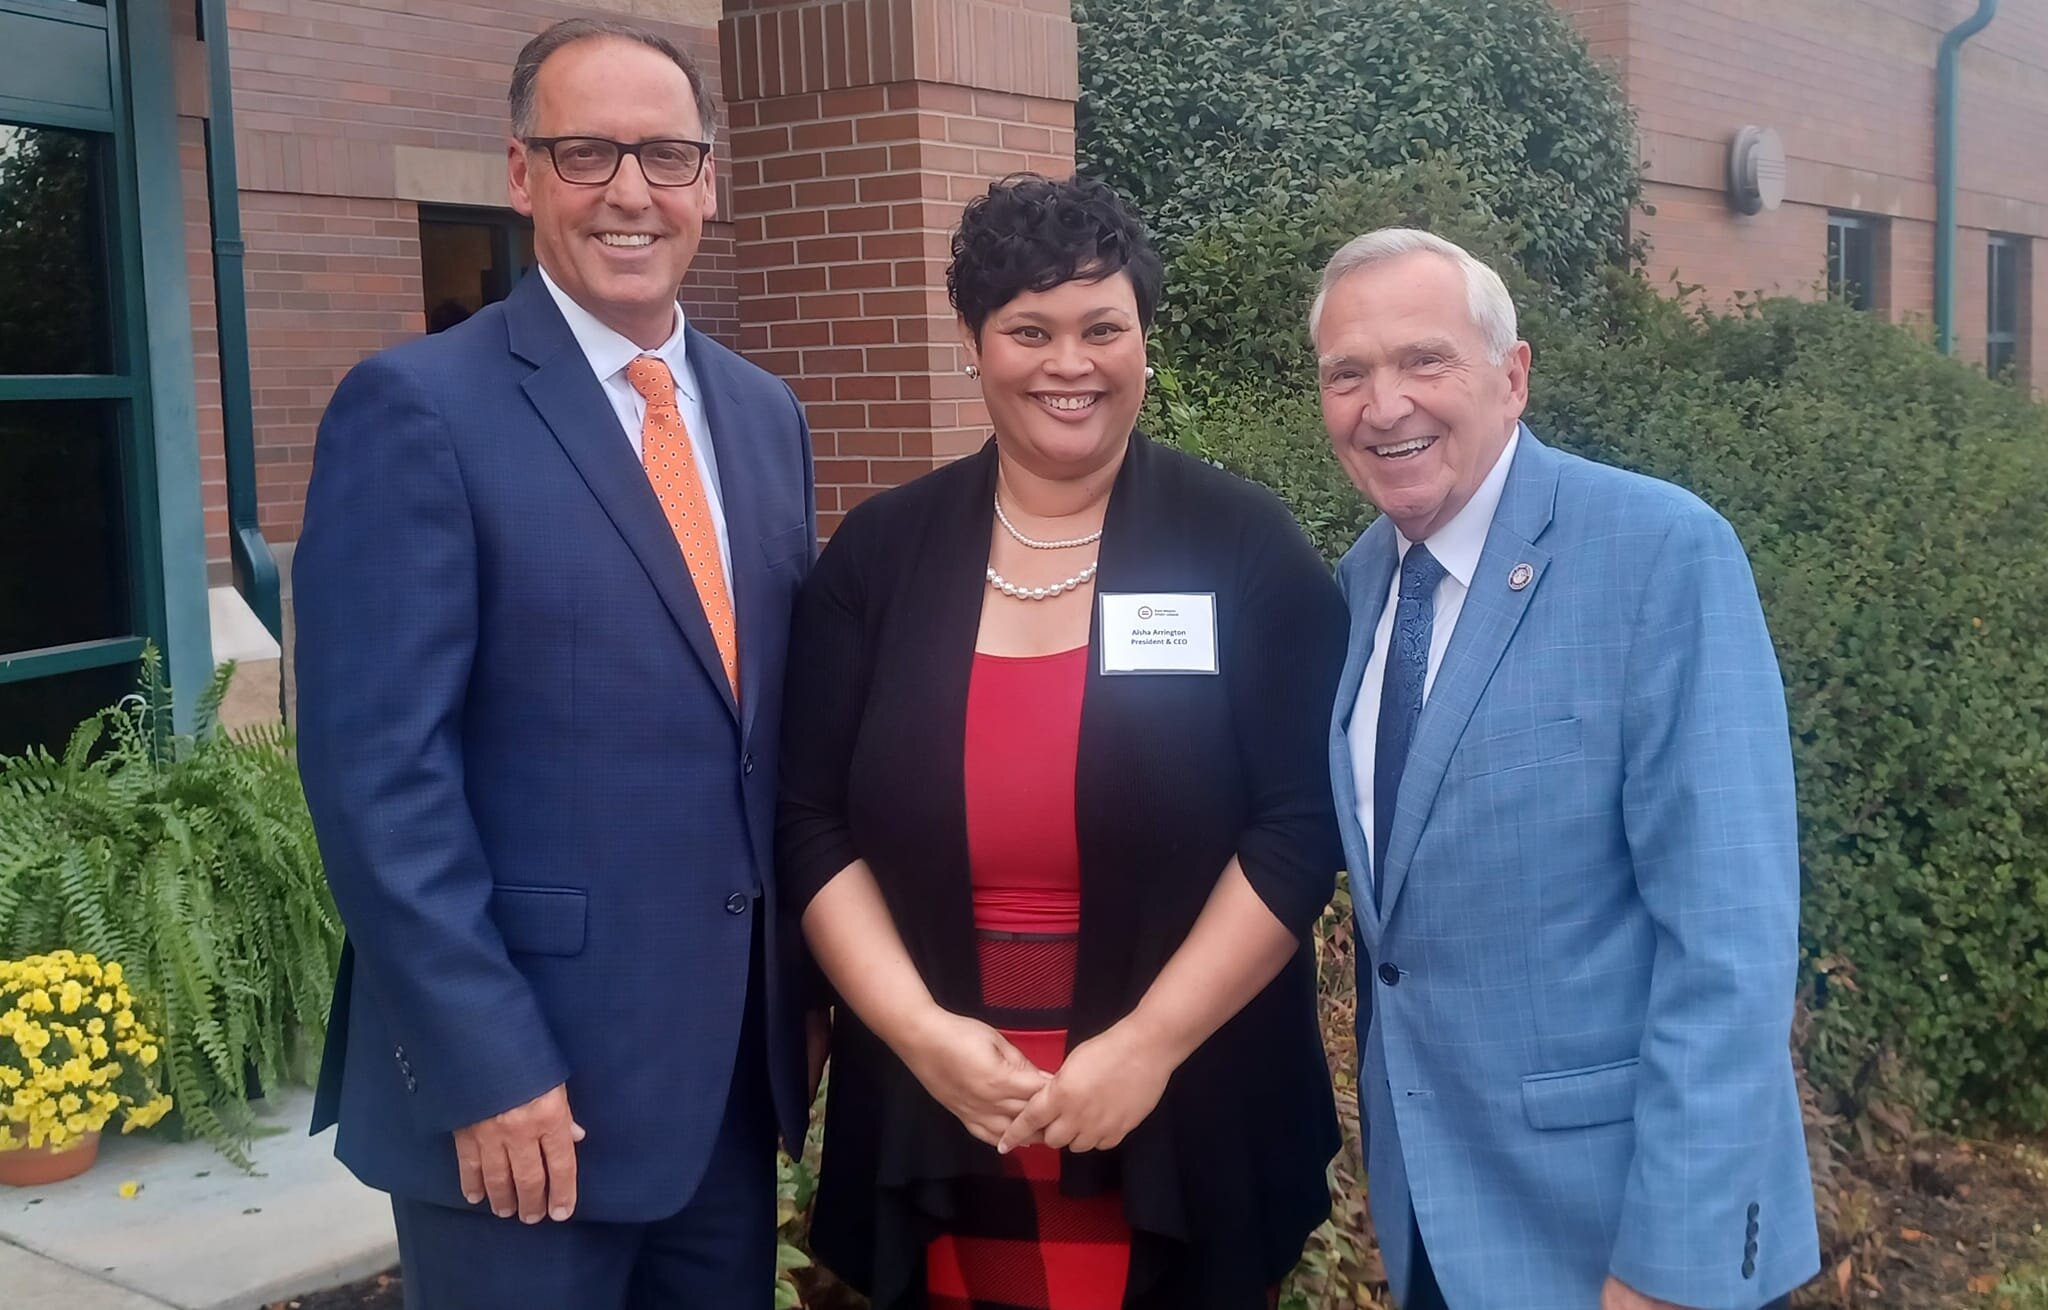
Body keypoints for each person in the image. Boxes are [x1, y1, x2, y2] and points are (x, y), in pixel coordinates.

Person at [294, 19, 816, 1308]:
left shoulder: (762, 415)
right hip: (524, 1113)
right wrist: (485, 1064)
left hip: (720, 1101)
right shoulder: (415, 408)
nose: (630, 191)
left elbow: (764, 737)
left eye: (665, 154)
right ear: (521, 174)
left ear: (709, 178)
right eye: (588, 153)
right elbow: (378, 778)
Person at [777, 174, 1346, 1310]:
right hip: (946, 1096)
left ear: (1144, 338)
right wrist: (918, 1032)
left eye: (1102, 327)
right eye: (1027, 329)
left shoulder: (1241, 544)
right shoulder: (881, 557)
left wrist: (1145, 1044)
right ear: (972, 344)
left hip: (1176, 1098)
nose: (1067, 364)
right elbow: (807, 817)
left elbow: (1297, 823)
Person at [1314, 227, 1819, 1310]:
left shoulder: (1657, 551)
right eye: (1346, 373)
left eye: (1421, 360)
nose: (1381, 402)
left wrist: (1669, 1266)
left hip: (1620, 1239)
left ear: (1511, 373)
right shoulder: (1362, 583)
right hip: (1440, 1224)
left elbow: (1726, 936)